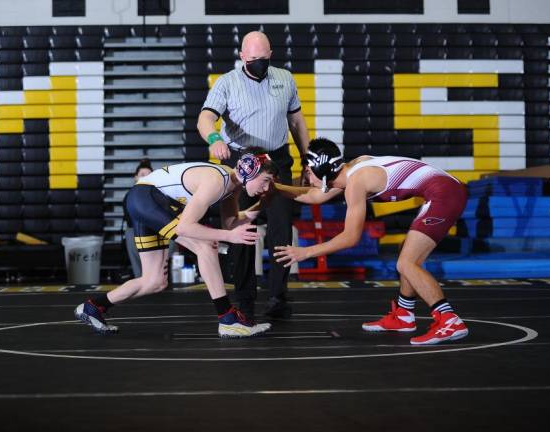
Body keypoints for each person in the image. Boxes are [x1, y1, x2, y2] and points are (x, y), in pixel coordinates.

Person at [273, 138, 469, 345]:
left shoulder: (356, 182)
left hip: (444, 194)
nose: (305, 175)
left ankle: (449, 320)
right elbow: (314, 196)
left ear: (322, 170)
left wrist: (306, 252)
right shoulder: (349, 172)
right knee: (408, 254)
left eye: (308, 170)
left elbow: (350, 238)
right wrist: (275, 188)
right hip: (444, 190)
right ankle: (404, 315)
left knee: (406, 263)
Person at [75, 148, 277, 338]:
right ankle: (228, 319)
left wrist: (264, 204)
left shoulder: (232, 187)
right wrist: (229, 237)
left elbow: (230, 223)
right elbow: (185, 228)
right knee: (205, 245)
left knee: (154, 281)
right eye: (266, 180)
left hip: (145, 201)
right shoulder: (217, 181)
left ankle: (93, 307)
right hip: (148, 198)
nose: (266, 187)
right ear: (249, 170)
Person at [197, 30, 310, 320]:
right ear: (242, 57)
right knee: (241, 230)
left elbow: (296, 122)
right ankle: (244, 299)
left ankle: (277, 297)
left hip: (279, 158)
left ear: (270, 55)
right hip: (244, 161)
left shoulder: (285, 78)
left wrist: (308, 160)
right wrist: (214, 140)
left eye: (263, 58)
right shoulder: (227, 83)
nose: (259, 62)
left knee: (282, 230)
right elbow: (205, 118)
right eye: (253, 59)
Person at [123, 159, 153, 278]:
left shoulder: (160, 194)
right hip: (134, 232)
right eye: (142, 175)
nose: (146, 178)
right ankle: (139, 279)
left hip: (155, 232)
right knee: (139, 273)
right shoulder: (130, 195)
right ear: (136, 177)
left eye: (149, 175)